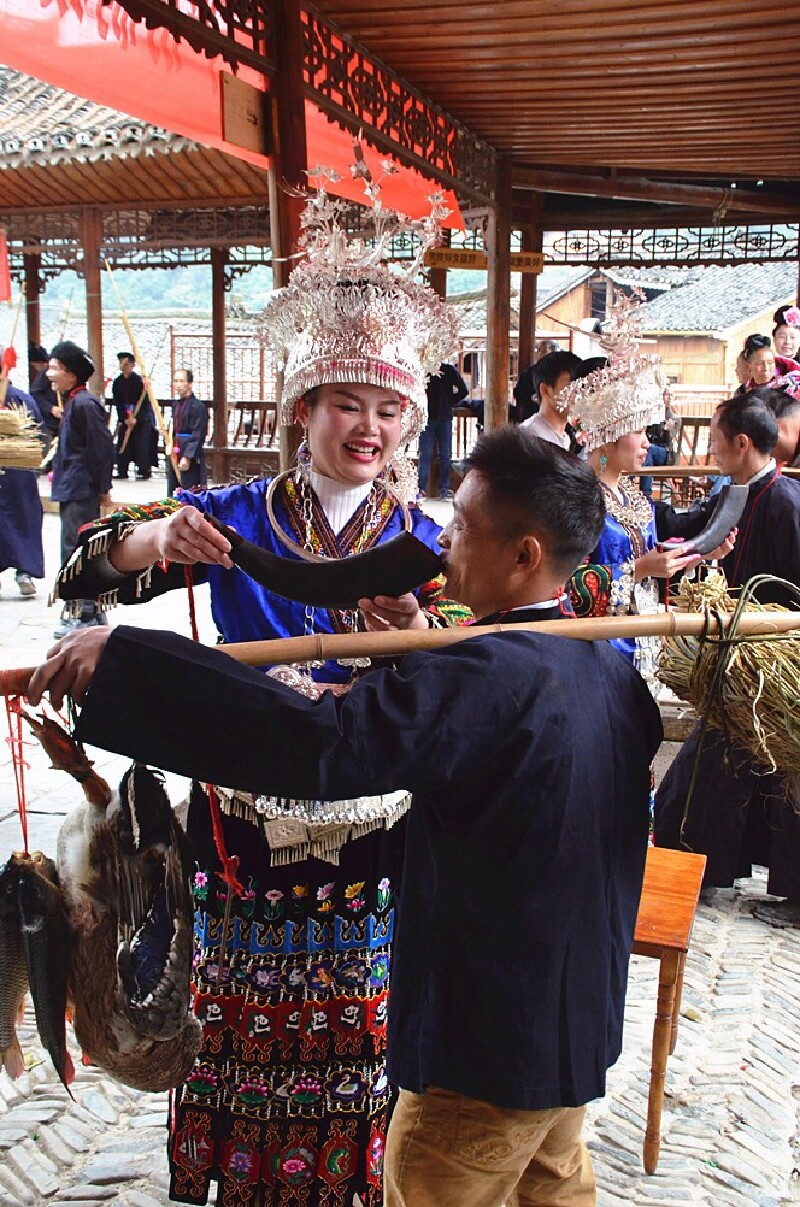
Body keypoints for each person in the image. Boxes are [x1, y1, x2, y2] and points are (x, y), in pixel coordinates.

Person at [30, 427, 663, 1207]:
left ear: (526, 555)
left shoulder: (485, 671)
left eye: (461, 525)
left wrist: (127, 662)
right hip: (570, 1030)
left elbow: (324, 743)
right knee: (553, 1188)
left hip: (486, 1046)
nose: (442, 542)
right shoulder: (608, 670)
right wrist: (157, 538)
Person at [49, 189, 458, 1206]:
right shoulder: (228, 515)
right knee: (238, 1015)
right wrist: (153, 541)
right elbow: (81, 574)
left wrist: (412, 634)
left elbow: (464, 669)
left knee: (358, 1018)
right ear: (301, 411)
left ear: (407, 420)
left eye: (386, 409)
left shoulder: (429, 541)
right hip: (243, 824)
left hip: (372, 834)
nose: (366, 428)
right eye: (345, 404)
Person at [655, 390, 800, 909]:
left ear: (742, 444)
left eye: (717, 444)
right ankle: (704, 865)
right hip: (735, 658)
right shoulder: (737, 493)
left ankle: (696, 862)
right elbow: (692, 531)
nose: (713, 454)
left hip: (766, 662)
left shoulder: (784, 503)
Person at [564, 311, 707, 692]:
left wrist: (696, 555)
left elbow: (646, 558)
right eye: (639, 430)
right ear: (609, 433)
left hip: (641, 638)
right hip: (598, 646)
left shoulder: (631, 494)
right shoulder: (576, 497)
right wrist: (641, 568)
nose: (648, 442)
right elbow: (561, 583)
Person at [47, 341, 114, 638]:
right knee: (80, 548)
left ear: (71, 375)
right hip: (73, 486)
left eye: (55, 368)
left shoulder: (84, 404)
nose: (49, 374)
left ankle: (82, 614)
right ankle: (91, 610)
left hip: (80, 488)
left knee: (77, 551)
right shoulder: (74, 402)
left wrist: (103, 487)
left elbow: (101, 449)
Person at [0, 376, 45, 598]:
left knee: (22, 519)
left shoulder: (20, 399)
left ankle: (25, 572)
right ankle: (24, 572)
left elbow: (36, 433)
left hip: (18, 468)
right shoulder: (23, 398)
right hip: (16, 473)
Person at [417, 360, 468, 501]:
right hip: (442, 416)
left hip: (429, 416)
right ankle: (442, 490)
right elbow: (463, 391)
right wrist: (449, 401)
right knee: (444, 455)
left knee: (426, 455)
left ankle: (422, 490)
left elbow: (464, 390)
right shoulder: (448, 369)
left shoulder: (426, 368)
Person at [519, 349, 581, 449]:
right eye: (572, 389)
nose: (579, 396)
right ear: (545, 390)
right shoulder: (529, 438)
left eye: (581, 389)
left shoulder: (565, 437)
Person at [111, 351, 157, 481]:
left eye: (126, 364)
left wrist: (136, 418)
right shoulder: (118, 382)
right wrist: (125, 418)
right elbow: (118, 403)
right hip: (126, 416)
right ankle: (122, 470)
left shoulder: (139, 382)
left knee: (142, 444)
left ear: (132, 365)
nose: (123, 366)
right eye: (121, 363)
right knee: (123, 444)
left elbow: (145, 403)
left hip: (140, 418)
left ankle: (143, 470)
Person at [167, 368, 208, 494]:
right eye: (176, 381)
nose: (178, 385)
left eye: (181, 381)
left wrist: (187, 456)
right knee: (173, 488)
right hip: (176, 448)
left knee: (189, 487)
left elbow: (198, 433)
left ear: (190, 384)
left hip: (189, 450)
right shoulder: (176, 405)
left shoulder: (198, 406)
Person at [742, 333, 800, 402]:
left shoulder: (791, 384)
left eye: (770, 363)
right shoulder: (747, 389)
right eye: (760, 364)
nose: (766, 368)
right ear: (749, 366)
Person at [29, 342, 61, 449]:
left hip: (64, 422)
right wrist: (51, 408)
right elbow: (34, 394)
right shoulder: (46, 373)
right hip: (49, 424)